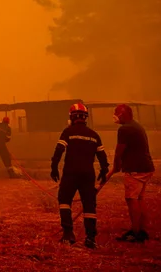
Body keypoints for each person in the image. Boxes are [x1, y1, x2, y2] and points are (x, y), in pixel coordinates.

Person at [50, 102, 109, 248]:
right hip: (88, 175)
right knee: (89, 206)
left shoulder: (68, 132)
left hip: (70, 173)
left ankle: (68, 234)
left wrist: (54, 167)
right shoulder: (94, 135)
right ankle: (90, 238)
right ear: (85, 117)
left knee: (64, 201)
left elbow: (59, 150)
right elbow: (102, 156)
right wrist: (104, 170)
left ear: (71, 117)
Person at [111, 103, 155, 243]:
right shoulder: (136, 126)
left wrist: (116, 166)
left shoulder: (125, 129)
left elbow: (119, 151)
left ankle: (135, 232)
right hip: (146, 167)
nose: (115, 116)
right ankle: (142, 230)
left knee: (131, 199)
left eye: (116, 113)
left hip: (135, 169)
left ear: (123, 114)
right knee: (139, 199)